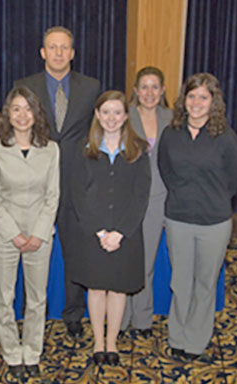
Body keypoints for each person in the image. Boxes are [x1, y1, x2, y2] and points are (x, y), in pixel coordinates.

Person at [15, 26, 101, 340]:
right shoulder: (25, 86)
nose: (59, 53)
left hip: (78, 184)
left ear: (73, 53)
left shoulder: (92, 88)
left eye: (65, 48)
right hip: (36, 185)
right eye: (53, 47)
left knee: (75, 252)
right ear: (42, 52)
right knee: (30, 250)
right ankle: (29, 310)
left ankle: (74, 313)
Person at [158, 73, 237, 361]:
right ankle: (177, 336)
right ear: (184, 99)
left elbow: (234, 180)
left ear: (213, 102)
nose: (196, 102)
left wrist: (211, 199)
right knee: (180, 282)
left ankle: (196, 340)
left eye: (203, 97)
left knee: (205, 283)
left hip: (214, 222)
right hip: (178, 218)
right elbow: (165, 170)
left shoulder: (226, 137)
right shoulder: (171, 133)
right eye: (192, 96)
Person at [71, 90, 151, 366]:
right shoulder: (84, 149)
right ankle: (97, 341)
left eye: (117, 112)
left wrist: (120, 232)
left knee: (117, 289)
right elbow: (78, 195)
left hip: (125, 234)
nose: (111, 118)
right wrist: (100, 231)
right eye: (106, 112)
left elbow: (142, 196)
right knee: (96, 288)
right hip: (93, 233)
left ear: (126, 116)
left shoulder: (138, 150)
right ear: (97, 115)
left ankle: (112, 343)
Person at [0, 86, 59, 379]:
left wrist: (38, 234)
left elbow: (53, 196)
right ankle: (12, 353)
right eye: (16, 108)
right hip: (5, 233)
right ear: (8, 113)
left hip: (40, 233)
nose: (22, 115)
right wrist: (14, 234)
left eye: (28, 108)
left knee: (37, 298)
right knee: (3, 297)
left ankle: (32, 351)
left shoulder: (51, 149)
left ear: (36, 113)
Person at [120, 66, 173, 337]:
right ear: (136, 91)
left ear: (163, 90)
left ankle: (141, 318)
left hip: (158, 198)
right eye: (144, 87)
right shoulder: (124, 116)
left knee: (146, 263)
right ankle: (121, 317)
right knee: (125, 259)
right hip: (128, 198)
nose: (149, 93)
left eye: (155, 87)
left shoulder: (172, 118)